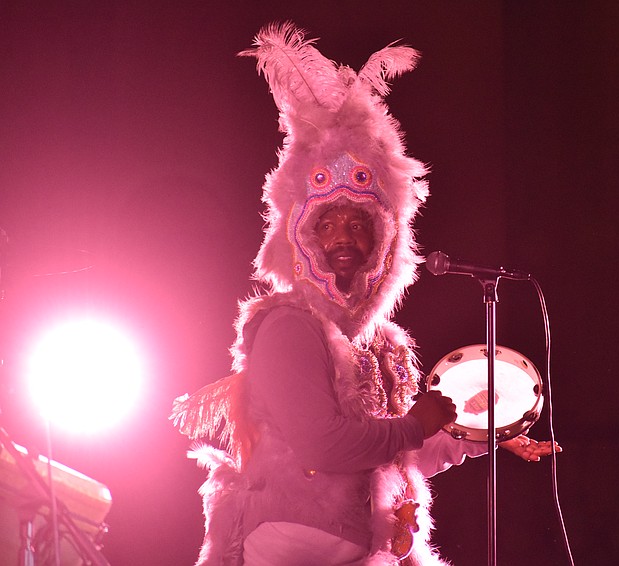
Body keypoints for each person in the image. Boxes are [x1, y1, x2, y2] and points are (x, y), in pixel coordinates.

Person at [171, 22, 559, 566]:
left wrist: (479, 431)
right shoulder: (287, 326)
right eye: (328, 224)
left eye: (359, 224)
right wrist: (416, 423)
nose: (344, 238)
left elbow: (396, 456)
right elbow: (326, 444)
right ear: (302, 235)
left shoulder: (385, 345)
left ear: (384, 239)